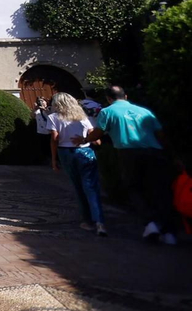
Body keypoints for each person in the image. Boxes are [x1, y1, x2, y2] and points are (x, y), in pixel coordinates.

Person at [89, 85, 177, 245]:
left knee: (134, 187)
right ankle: (168, 231)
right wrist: (170, 154)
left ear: (108, 98)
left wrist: (84, 139)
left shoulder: (107, 112)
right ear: (126, 96)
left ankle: (150, 223)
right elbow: (161, 135)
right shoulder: (144, 111)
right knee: (159, 190)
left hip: (129, 153)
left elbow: (98, 132)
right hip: (154, 152)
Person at [48, 93, 105, 236]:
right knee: (91, 186)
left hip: (66, 152)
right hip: (85, 151)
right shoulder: (82, 117)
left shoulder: (54, 117)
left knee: (78, 186)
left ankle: (87, 220)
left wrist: (54, 160)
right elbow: (95, 138)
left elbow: (54, 139)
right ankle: (99, 221)